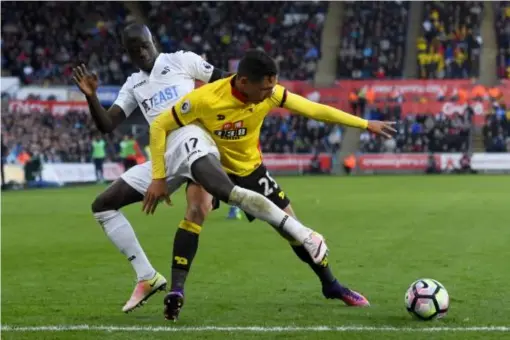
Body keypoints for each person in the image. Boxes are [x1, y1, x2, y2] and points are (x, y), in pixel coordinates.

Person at [147, 50, 396, 320]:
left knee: (293, 227)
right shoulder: (204, 99)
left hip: (251, 169)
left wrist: (363, 123)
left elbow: (314, 110)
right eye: (265, 88)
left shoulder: (272, 93)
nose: (270, 93)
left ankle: (331, 285)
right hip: (213, 167)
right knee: (196, 209)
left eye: (272, 86)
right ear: (242, 82)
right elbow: (160, 125)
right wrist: (158, 177)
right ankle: (177, 292)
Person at [72, 23, 230, 313]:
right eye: (134, 51)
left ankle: (296, 232)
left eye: (144, 45)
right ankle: (147, 276)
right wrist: (91, 96)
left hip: (196, 146)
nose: (142, 53)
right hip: (164, 159)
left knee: (203, 208)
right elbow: (107, 125)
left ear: (153, 40)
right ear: (127, 54)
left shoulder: (182, 60)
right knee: (103, 205)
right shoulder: (133, 84)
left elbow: (227, 82)